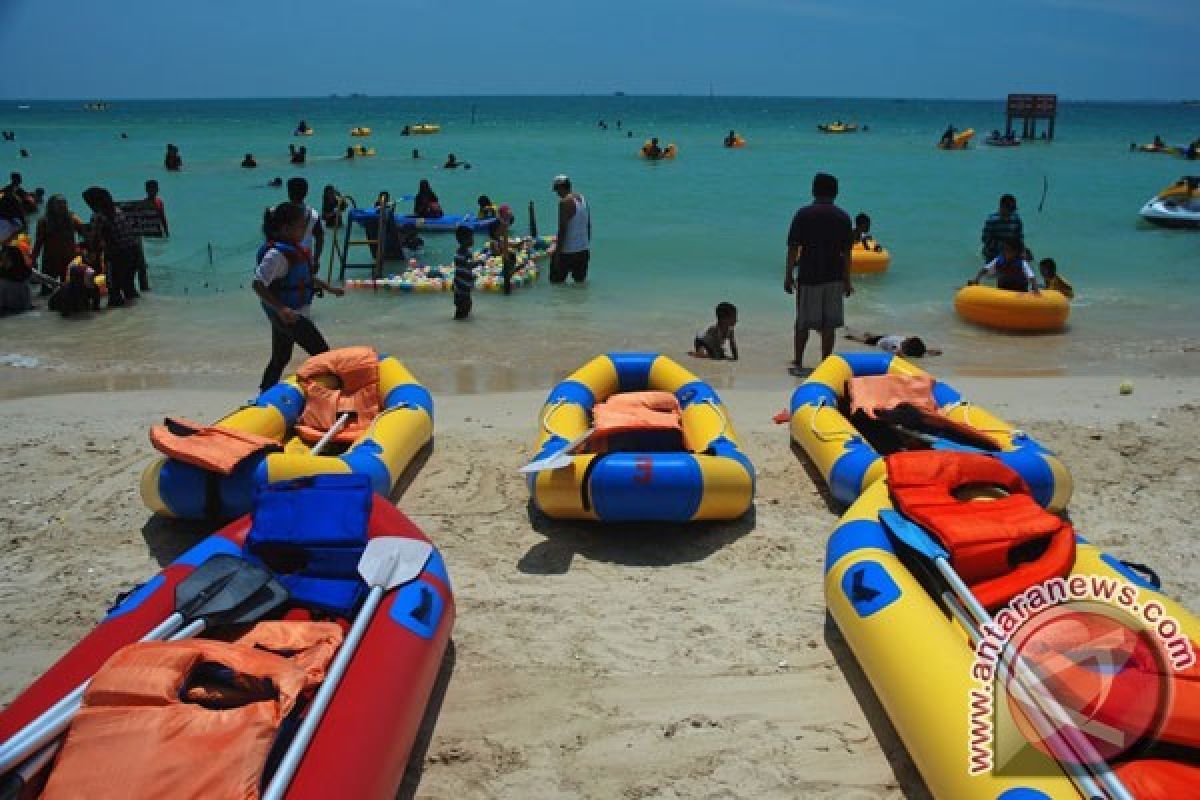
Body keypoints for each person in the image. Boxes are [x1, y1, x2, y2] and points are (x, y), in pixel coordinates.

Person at [252, 202, 343, 391]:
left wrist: (329, 288)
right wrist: (282, 309)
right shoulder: (276, 255)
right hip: (290, 316)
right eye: (301, 226)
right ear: (286, 229)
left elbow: (305, 277)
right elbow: (258, 284)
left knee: (280, 358)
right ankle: (334, 393)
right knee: (322, 353)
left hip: (285, 315)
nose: (305, 231)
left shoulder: (293, 250)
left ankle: (264, 394)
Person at [785, 172, 854, 374]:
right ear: (836, 192)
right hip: (834, 277)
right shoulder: (843, 217)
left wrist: (788, 274)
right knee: (829, 325)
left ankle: (798, 360)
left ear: (814, 190)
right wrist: (847, 280)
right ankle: (825, 363)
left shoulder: (803, 214)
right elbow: (847, 253)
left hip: (809, 276)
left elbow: (793, 247)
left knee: (803, 322)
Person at [83, 186, 140, 306]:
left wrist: (90, 257)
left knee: (114, 289)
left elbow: (93, 241)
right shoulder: (118, 211)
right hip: (133, 252)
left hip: (118, 255)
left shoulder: (98, 216)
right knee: (129, 288)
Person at [31, 194, 85, 293]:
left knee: (69, 289)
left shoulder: (72, 218)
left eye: (64, 203)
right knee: (46, 291)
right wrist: (33, 260)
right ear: (52, 206)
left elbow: (85, 233)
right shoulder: (44, 221)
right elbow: (38, 243)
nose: (62, 206)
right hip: (50, 260)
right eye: (59, 204)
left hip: (69, 260)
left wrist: (83, 250)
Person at [550, 175, 590, 284]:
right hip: (583, 250)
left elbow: (562, 230)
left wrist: (557, 254)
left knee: (556, 284)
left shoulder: (564, 202)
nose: (557, 194)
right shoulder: (582, 198)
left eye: (557, 190)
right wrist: (585, 245)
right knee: (580, 285)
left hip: (567, 252)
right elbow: (588, 225)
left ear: (561, 188)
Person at [969, 238, 1039, 293]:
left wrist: (1035, 288)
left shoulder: (1022, 263)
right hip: (1003, 289)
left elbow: (1031, 276)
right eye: (1003, 249)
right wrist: (976, 280)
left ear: (1015, 252)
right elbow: (985, 270)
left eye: (1008, 250)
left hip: (1020, 289)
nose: (1005, 252)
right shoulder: (998, 260)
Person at [49, 249, 102, 316]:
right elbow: (64, 313)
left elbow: (96, 306)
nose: (91, 279)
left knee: (84, 305)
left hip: (76, 294)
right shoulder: (67, 290)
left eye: (90, 277)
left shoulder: (92, 286)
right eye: (88, 277)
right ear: (79, 279)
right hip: (55, 304)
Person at [286, 177, 324, 268]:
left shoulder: (281, 211)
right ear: (306, 193)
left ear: (289, 192)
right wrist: (316, 260)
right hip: (305, 261)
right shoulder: (313, 214)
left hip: (284, 260)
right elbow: (320, 239)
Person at [980, 194, 1023, 263]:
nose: (1011, 212)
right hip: (993, 253)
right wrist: (1002, 246)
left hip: (1011, 253)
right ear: (1001, 207)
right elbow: (985, 239)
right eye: (1009, 209)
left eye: (1013, 209)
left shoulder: (1016, 220)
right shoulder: (992, 220)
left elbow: (1019, 238)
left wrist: (1022, 251)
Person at [845, 331, 940, 357]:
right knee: (866, 338)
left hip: (882, 341)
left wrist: (928, 351)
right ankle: (856, 336)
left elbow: (897, 353)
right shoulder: (901, 345)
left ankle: (854, 337)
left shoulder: (899, 347)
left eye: (907, 340)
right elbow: (924, 350)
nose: (906, 338)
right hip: (883, 339)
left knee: (866, 340)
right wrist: (929, 351)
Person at [0, 239, 33, 315]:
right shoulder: (27, 273)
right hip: (23, 309)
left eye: (5, 260)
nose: (3, 262)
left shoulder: (3, 279)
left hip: (7, 312)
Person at [452, 225, 474, 320]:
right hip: (461, 289)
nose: (472, 240)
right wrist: (477, 263)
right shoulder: (460, 253)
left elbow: (467, 268)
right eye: (470, 238)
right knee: (462, 309)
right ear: (462, 239)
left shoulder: (467, 252)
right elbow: (466, 266)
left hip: (465, 287)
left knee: (467, 306)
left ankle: (462, 331)